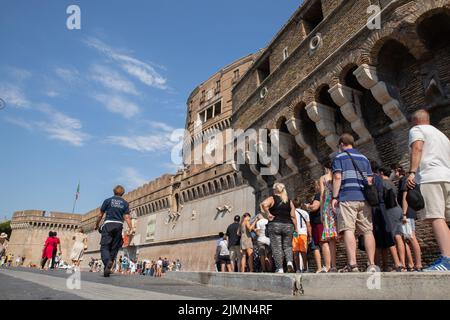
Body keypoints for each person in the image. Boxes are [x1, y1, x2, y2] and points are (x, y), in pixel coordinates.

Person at [407, 109, 450, 271]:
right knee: (446, 219)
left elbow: (417, 148)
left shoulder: (416, 130)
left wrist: (412, 172)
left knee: (436, 217)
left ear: (415, 121)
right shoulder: (442, 135)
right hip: (447, 176)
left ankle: (447, 260)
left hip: (430, 177)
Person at [331, 133, 377, 272]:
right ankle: (371, 264)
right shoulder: (364, 158)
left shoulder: (339, 157)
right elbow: (370, 180)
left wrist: (334, 197)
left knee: (348, 229)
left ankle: (353, 264)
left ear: (341, 144)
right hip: (364, 198)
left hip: (347, 197)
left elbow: (338, 177)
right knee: (368, 231)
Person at [95, 185, 134, 277]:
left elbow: (100, 215)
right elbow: (127, 217)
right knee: (114, 247)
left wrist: (97, 225)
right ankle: (108, 266)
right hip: (119, 225)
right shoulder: (125, 203)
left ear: (114, 192)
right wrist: (131, 227)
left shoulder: (107, 201)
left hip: (108, 224)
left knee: (104, 246)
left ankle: (107, 261)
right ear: (123, 193)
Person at [261, 183, 298, 273]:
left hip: (275, 225)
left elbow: (264, 204)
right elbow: (293, 216)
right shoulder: (289, 201)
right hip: (288, 225)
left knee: (276, 247)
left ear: (274, 190)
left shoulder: (272, 198)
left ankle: (280, 268)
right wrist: (296, 228)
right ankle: (289, 262)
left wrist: (268, 214)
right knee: (288, 246)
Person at [373, 164, 405, 272]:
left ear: (381, 173)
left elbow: (382, 199)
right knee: (397, 236)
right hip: (397, 209)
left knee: (391, 237)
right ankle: (400, 263)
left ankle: (398, 263)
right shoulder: (391, 183)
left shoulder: (383, 183)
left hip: (390, 210)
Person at [396, 166, 423, 271]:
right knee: (406, 239)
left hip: (407, 214)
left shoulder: (404, 180)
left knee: (411, 238)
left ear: (398, 171)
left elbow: (405, 198)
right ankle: (411, 264)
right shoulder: (405, 180)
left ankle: (418, 264)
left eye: (395, 171)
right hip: (409, 213)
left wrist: (403, 214)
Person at [319, 163, 338, 272]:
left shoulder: (323, 178)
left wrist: (321, 212)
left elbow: (322, 195)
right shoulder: (337, 175)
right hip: (338, 205)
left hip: (327, 207)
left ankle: (332, 266)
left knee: (330, 239)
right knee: (345, 234)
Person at [303, 181, 324, 273]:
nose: (315, 187)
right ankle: (327, 266)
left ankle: (320, 268)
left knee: (316, 246)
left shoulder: (318, 195)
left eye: (316, 185)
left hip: (317, 223)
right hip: (321, 222)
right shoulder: (326, 195)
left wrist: (308, 206)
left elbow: (315, 207)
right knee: (323, 244)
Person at [292, 198, 311, 273]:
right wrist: (310, 235)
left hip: (295, 233)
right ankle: (305, 268)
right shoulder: (305, 213)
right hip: (303, 233)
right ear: (301, 205)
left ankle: (297, 269)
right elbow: (308, 225)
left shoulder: (292, 213)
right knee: (304, 251)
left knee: (295, 251)